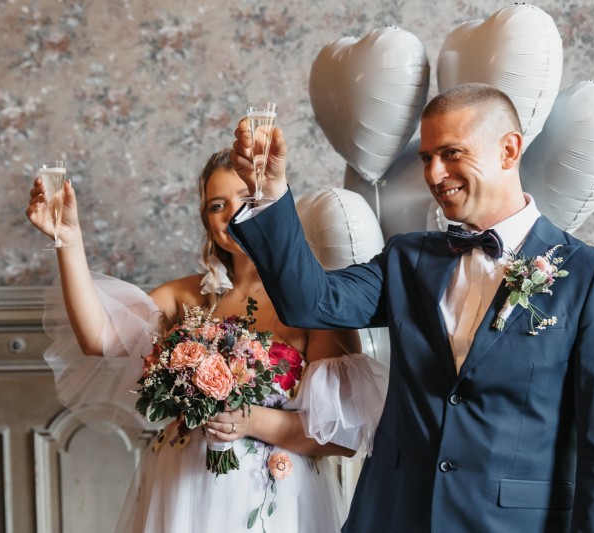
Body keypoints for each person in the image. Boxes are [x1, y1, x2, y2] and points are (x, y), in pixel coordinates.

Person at [228, 83, 594, 532]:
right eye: (427, 158)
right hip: (394, 517)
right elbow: (310, 303)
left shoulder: (591, 279)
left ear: (508, 150)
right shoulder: (407, 258)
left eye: (451, 153)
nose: (434, 173)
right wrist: (270, 194)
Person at [26, 149, 387, 532]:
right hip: (183, 489)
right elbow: (97, 338)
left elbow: (341, 438)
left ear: (276, 204)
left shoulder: (314, 300)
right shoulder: (187, 298)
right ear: (207, 221)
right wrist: (68, 238)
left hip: (270, 498)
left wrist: (250, 420)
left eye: (247, 198)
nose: (232, 213)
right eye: (217, 205)